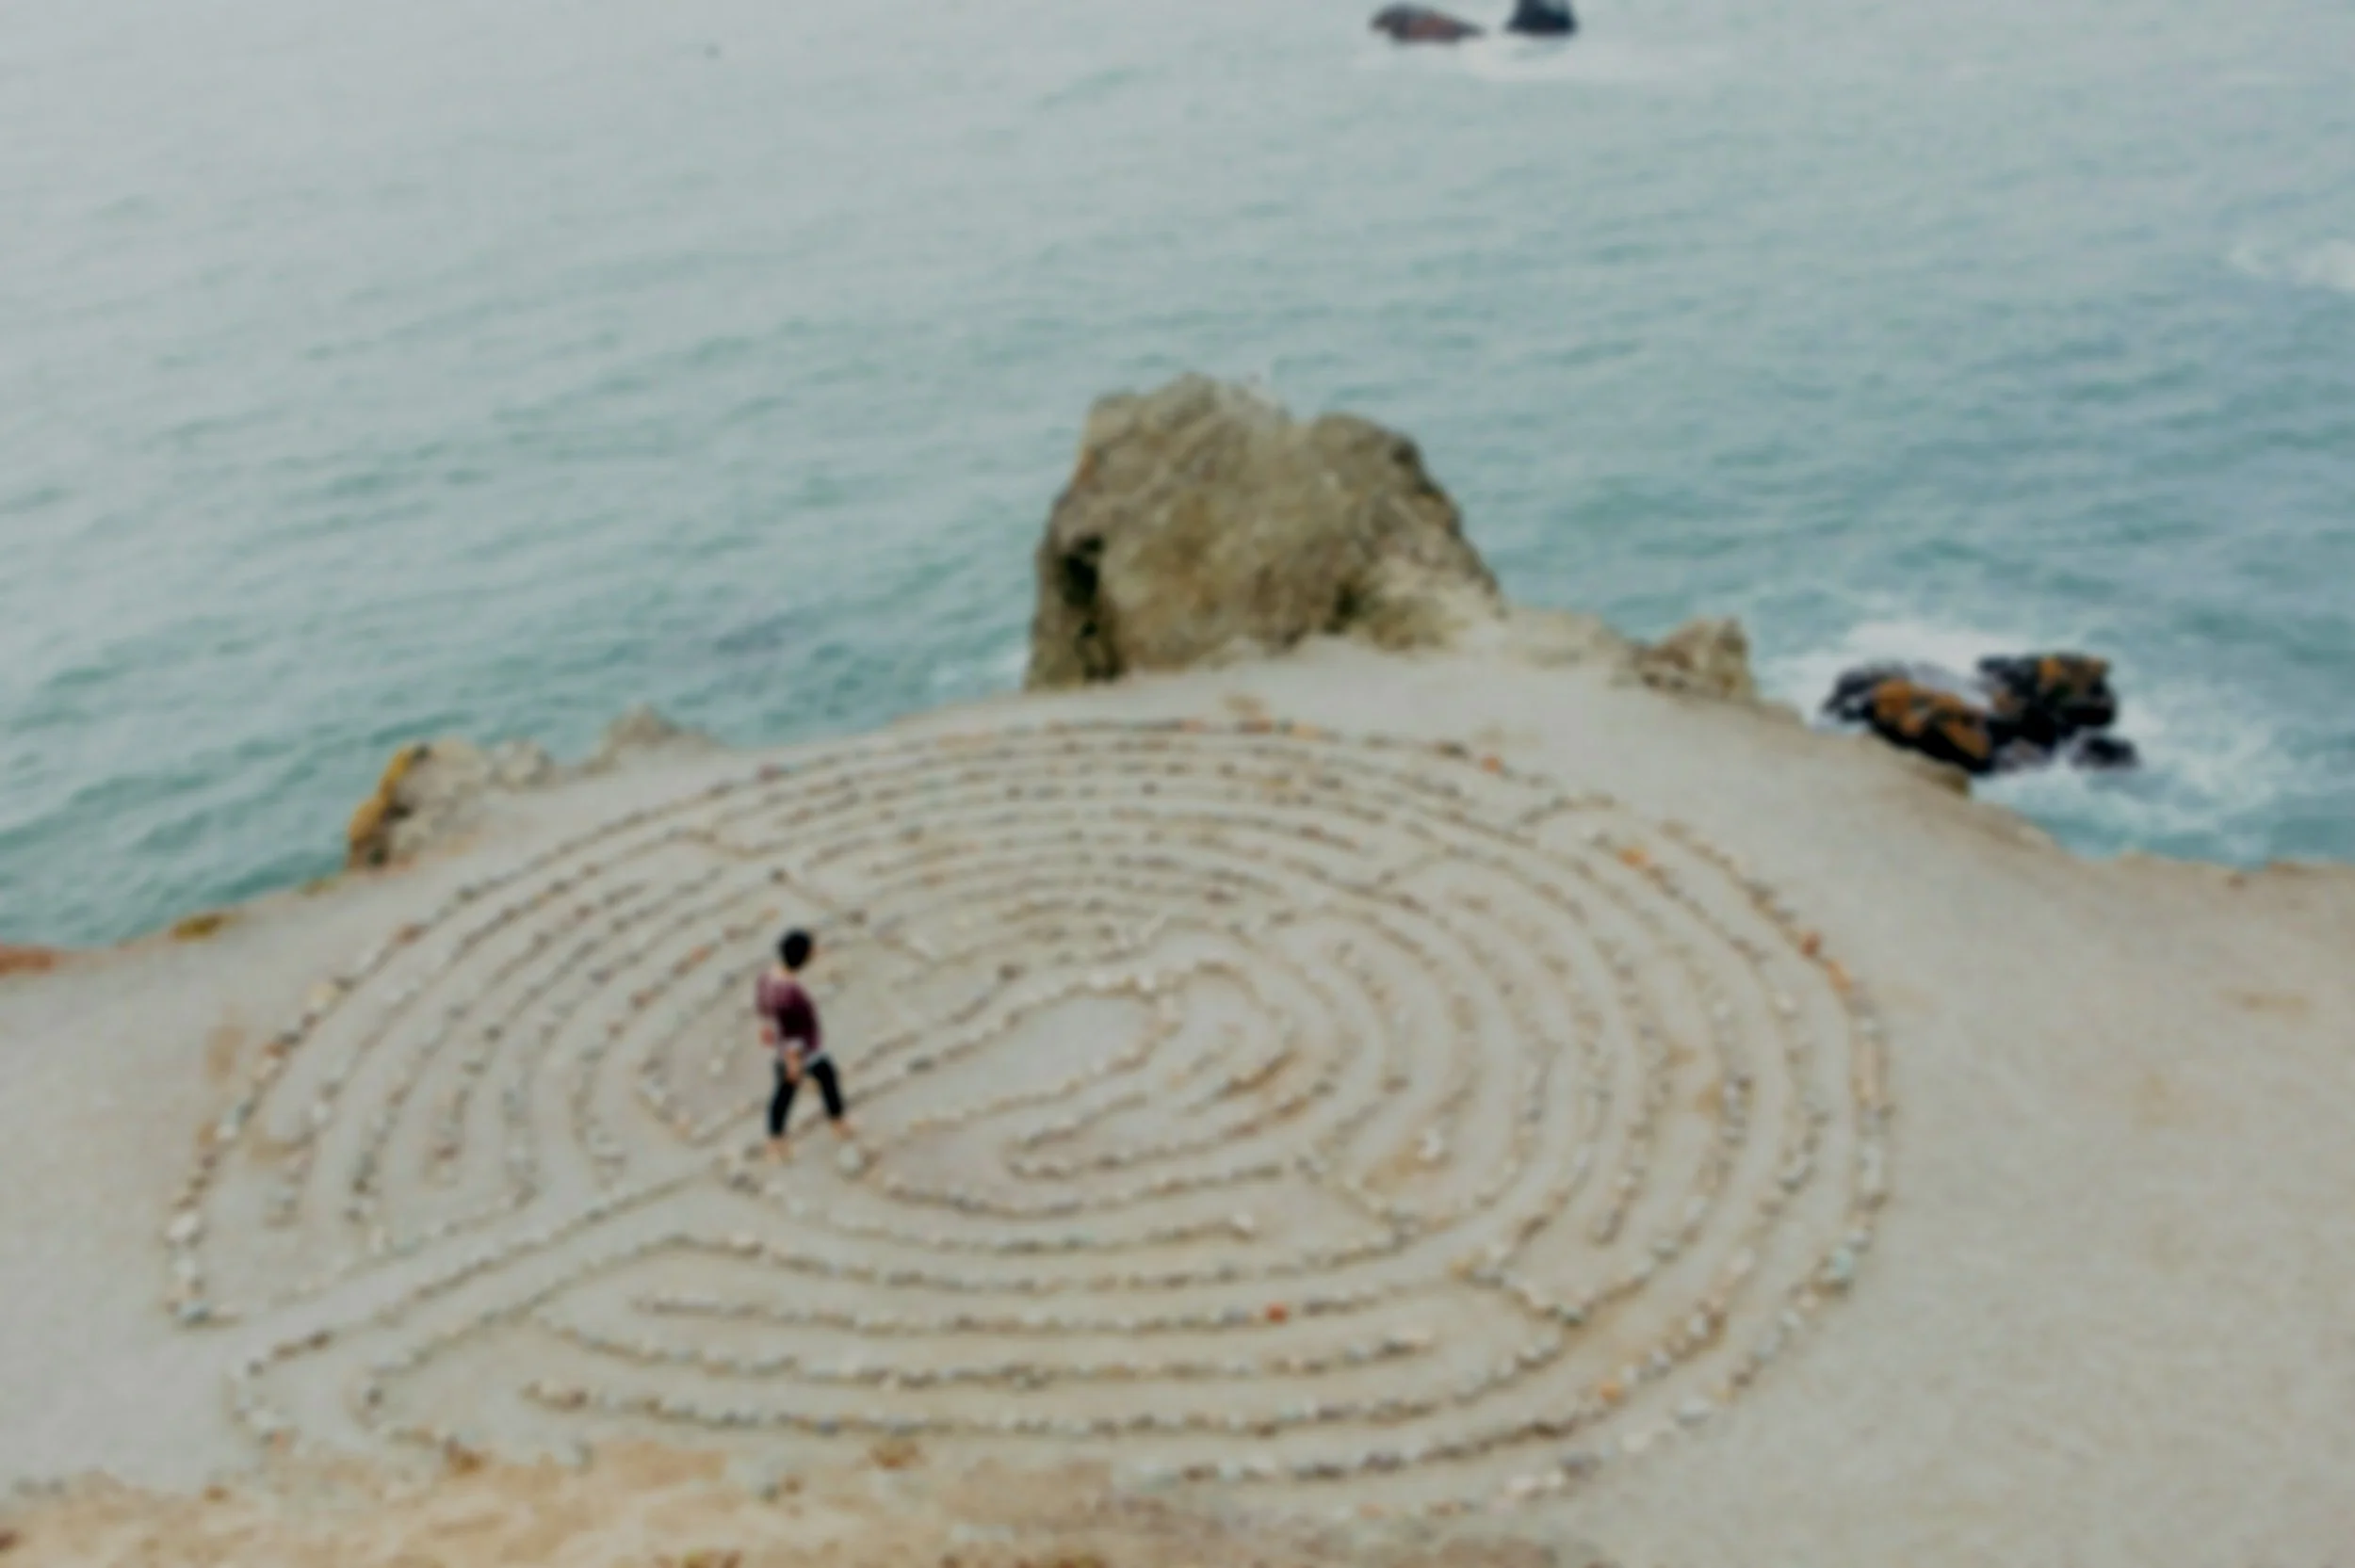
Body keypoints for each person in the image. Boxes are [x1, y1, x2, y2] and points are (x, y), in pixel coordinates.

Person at [755, 928, 853, 1159]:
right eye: (812, 952)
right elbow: (794, 1032)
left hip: (786, 1047)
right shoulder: (792, 995)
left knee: (793, 1090)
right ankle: (836, 1124)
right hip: (801, 1053)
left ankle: (777, 1139)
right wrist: (793, 1062)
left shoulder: (768, 978)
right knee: (805, 1085)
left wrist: (766, 1028)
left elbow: (763, 1007)